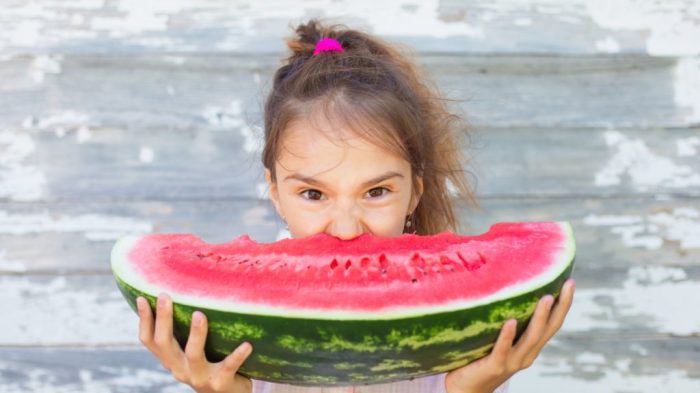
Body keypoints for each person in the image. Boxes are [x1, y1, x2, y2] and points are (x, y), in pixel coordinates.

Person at [133, 18, 576, 393]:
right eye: (313, 194)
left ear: (415, 189)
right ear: (274, 190)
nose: (346, 229)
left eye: (376, 192)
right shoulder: (235, 345)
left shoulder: (461, 340)